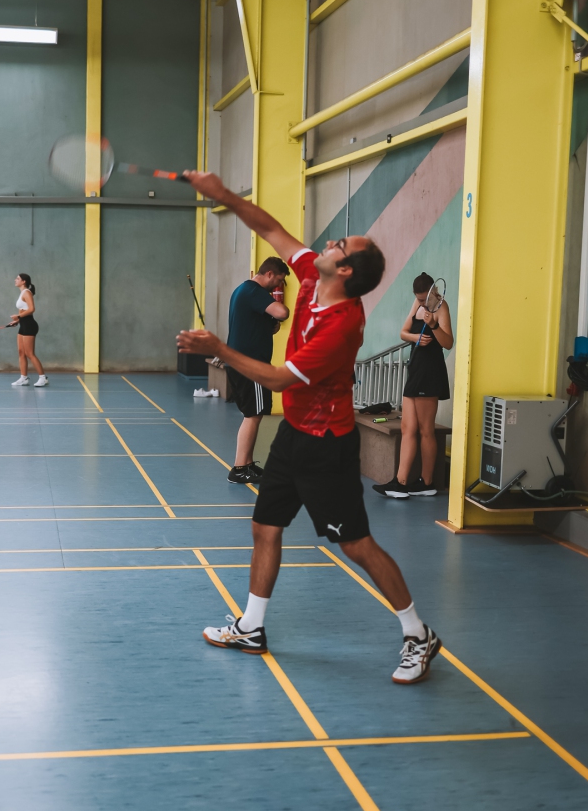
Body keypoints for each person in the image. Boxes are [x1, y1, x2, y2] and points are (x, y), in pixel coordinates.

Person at [177, 171, 441, 686]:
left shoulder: (341, 325)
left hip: (327, 447)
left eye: (339, 244)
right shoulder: (310, 276)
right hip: (294, 435)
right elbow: (271, 229)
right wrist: (223, 195)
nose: (328, 243)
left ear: (344, 270)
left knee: (357, 544)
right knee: (265, 526)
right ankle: (251, 627)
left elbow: (277, 379)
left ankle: (418, 633)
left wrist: (219, 349)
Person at [373, 272, 454, 499]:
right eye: (417, 299)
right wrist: (415, 338)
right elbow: (403, 332)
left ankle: (427, 482)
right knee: (407, 428)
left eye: (423, 298)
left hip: (430, 371)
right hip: (416, 369)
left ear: (433, 292)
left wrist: (433, 325)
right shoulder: (417, 304)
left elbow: (448, 343)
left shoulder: (441, 307)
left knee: (426, 430)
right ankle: (400, 482)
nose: (420, 303)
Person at [225, 257, 291, 484]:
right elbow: (282, 312)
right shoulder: (254, 291)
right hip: (250, 365)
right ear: (269, 274)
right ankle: (239, 468)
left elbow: (256, 324)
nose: (278, 286)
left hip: (243, 362)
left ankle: (247, 463)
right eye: (279, 280)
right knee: (253, 415)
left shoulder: (242, 290)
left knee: (254, 414)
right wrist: (280, 310)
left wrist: (267, 324)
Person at [10, 273, 48, 387]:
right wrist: (17, 321)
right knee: (21, 352)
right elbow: (23, 310)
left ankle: (43, 378)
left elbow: (31, 309)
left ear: (24, 281)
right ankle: (24, 378)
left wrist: (18, 316)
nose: (15, 280)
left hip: (30, 325)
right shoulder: (22, 293)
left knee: (30, 353)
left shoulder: (27, 292)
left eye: (17, 278)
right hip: (23, 325)